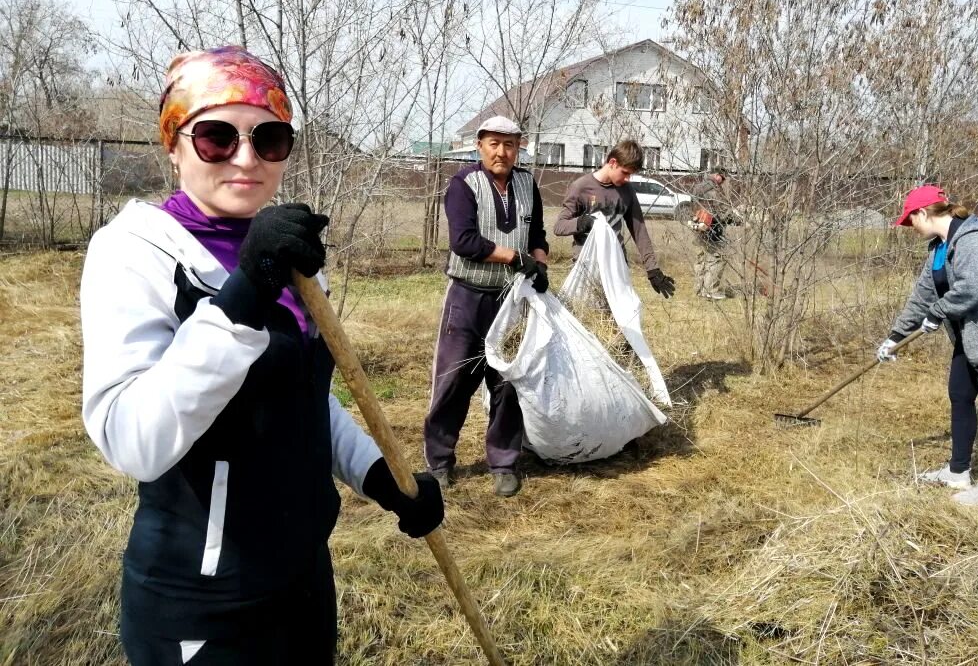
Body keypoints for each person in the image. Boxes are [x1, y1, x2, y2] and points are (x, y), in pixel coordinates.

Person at [80, 46, 444, 665]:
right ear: (174, 145)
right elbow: (132, 441)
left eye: (269, 138)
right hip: (204, 598)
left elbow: (303, 394)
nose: (246, 158)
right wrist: (244, 293)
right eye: (217, 137)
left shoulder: (286, 252)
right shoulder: (134, 252)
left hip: (301, 578)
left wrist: (380, 475)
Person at [876, 185, 978, 507]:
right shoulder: (938, 248)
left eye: (910, 221)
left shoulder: (974, 238)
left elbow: (970, 288)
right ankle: (958, 471)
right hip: (970, 336)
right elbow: (922, 297)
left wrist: (938, 313)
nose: (910, 228)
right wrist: (895, 336)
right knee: (960, 396)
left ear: (923, 212)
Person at [423, 115, 549, 498]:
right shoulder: (464, 184)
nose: (502, 152)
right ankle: (440, 462)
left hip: (510, 301)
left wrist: (540, 265)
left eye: (509, 144)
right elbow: (464, 242)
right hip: (467, 297)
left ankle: (504, 463)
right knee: (454, 381)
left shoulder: (527, 183)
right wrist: (515, 257)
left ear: (519, 148)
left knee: (507, 381)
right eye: (494, 143)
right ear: (479, 146)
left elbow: (538, 233)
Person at [553, 139, 676, 299]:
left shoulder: (627, 191)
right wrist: (582, 222)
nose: (627, 179)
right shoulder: (581, 187)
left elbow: (639, 232)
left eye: (631, 174)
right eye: (625, 173)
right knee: (586, 318)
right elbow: (559, 226)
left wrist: (652, 270)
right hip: (586, 266)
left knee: (618, 317)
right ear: (612, 162)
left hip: (616, 266)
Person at [690, 169, 730, 300]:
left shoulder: (698, 187)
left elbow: (693, 207)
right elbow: (723, 211)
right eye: (723, 179)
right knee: (718, 258)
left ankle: (699, 289)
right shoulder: (715, 190)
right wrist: (737, 218)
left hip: (698, 226)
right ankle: (711, 291)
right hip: (713, 228)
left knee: (701, 259)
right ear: (718, 175)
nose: (723, 182)